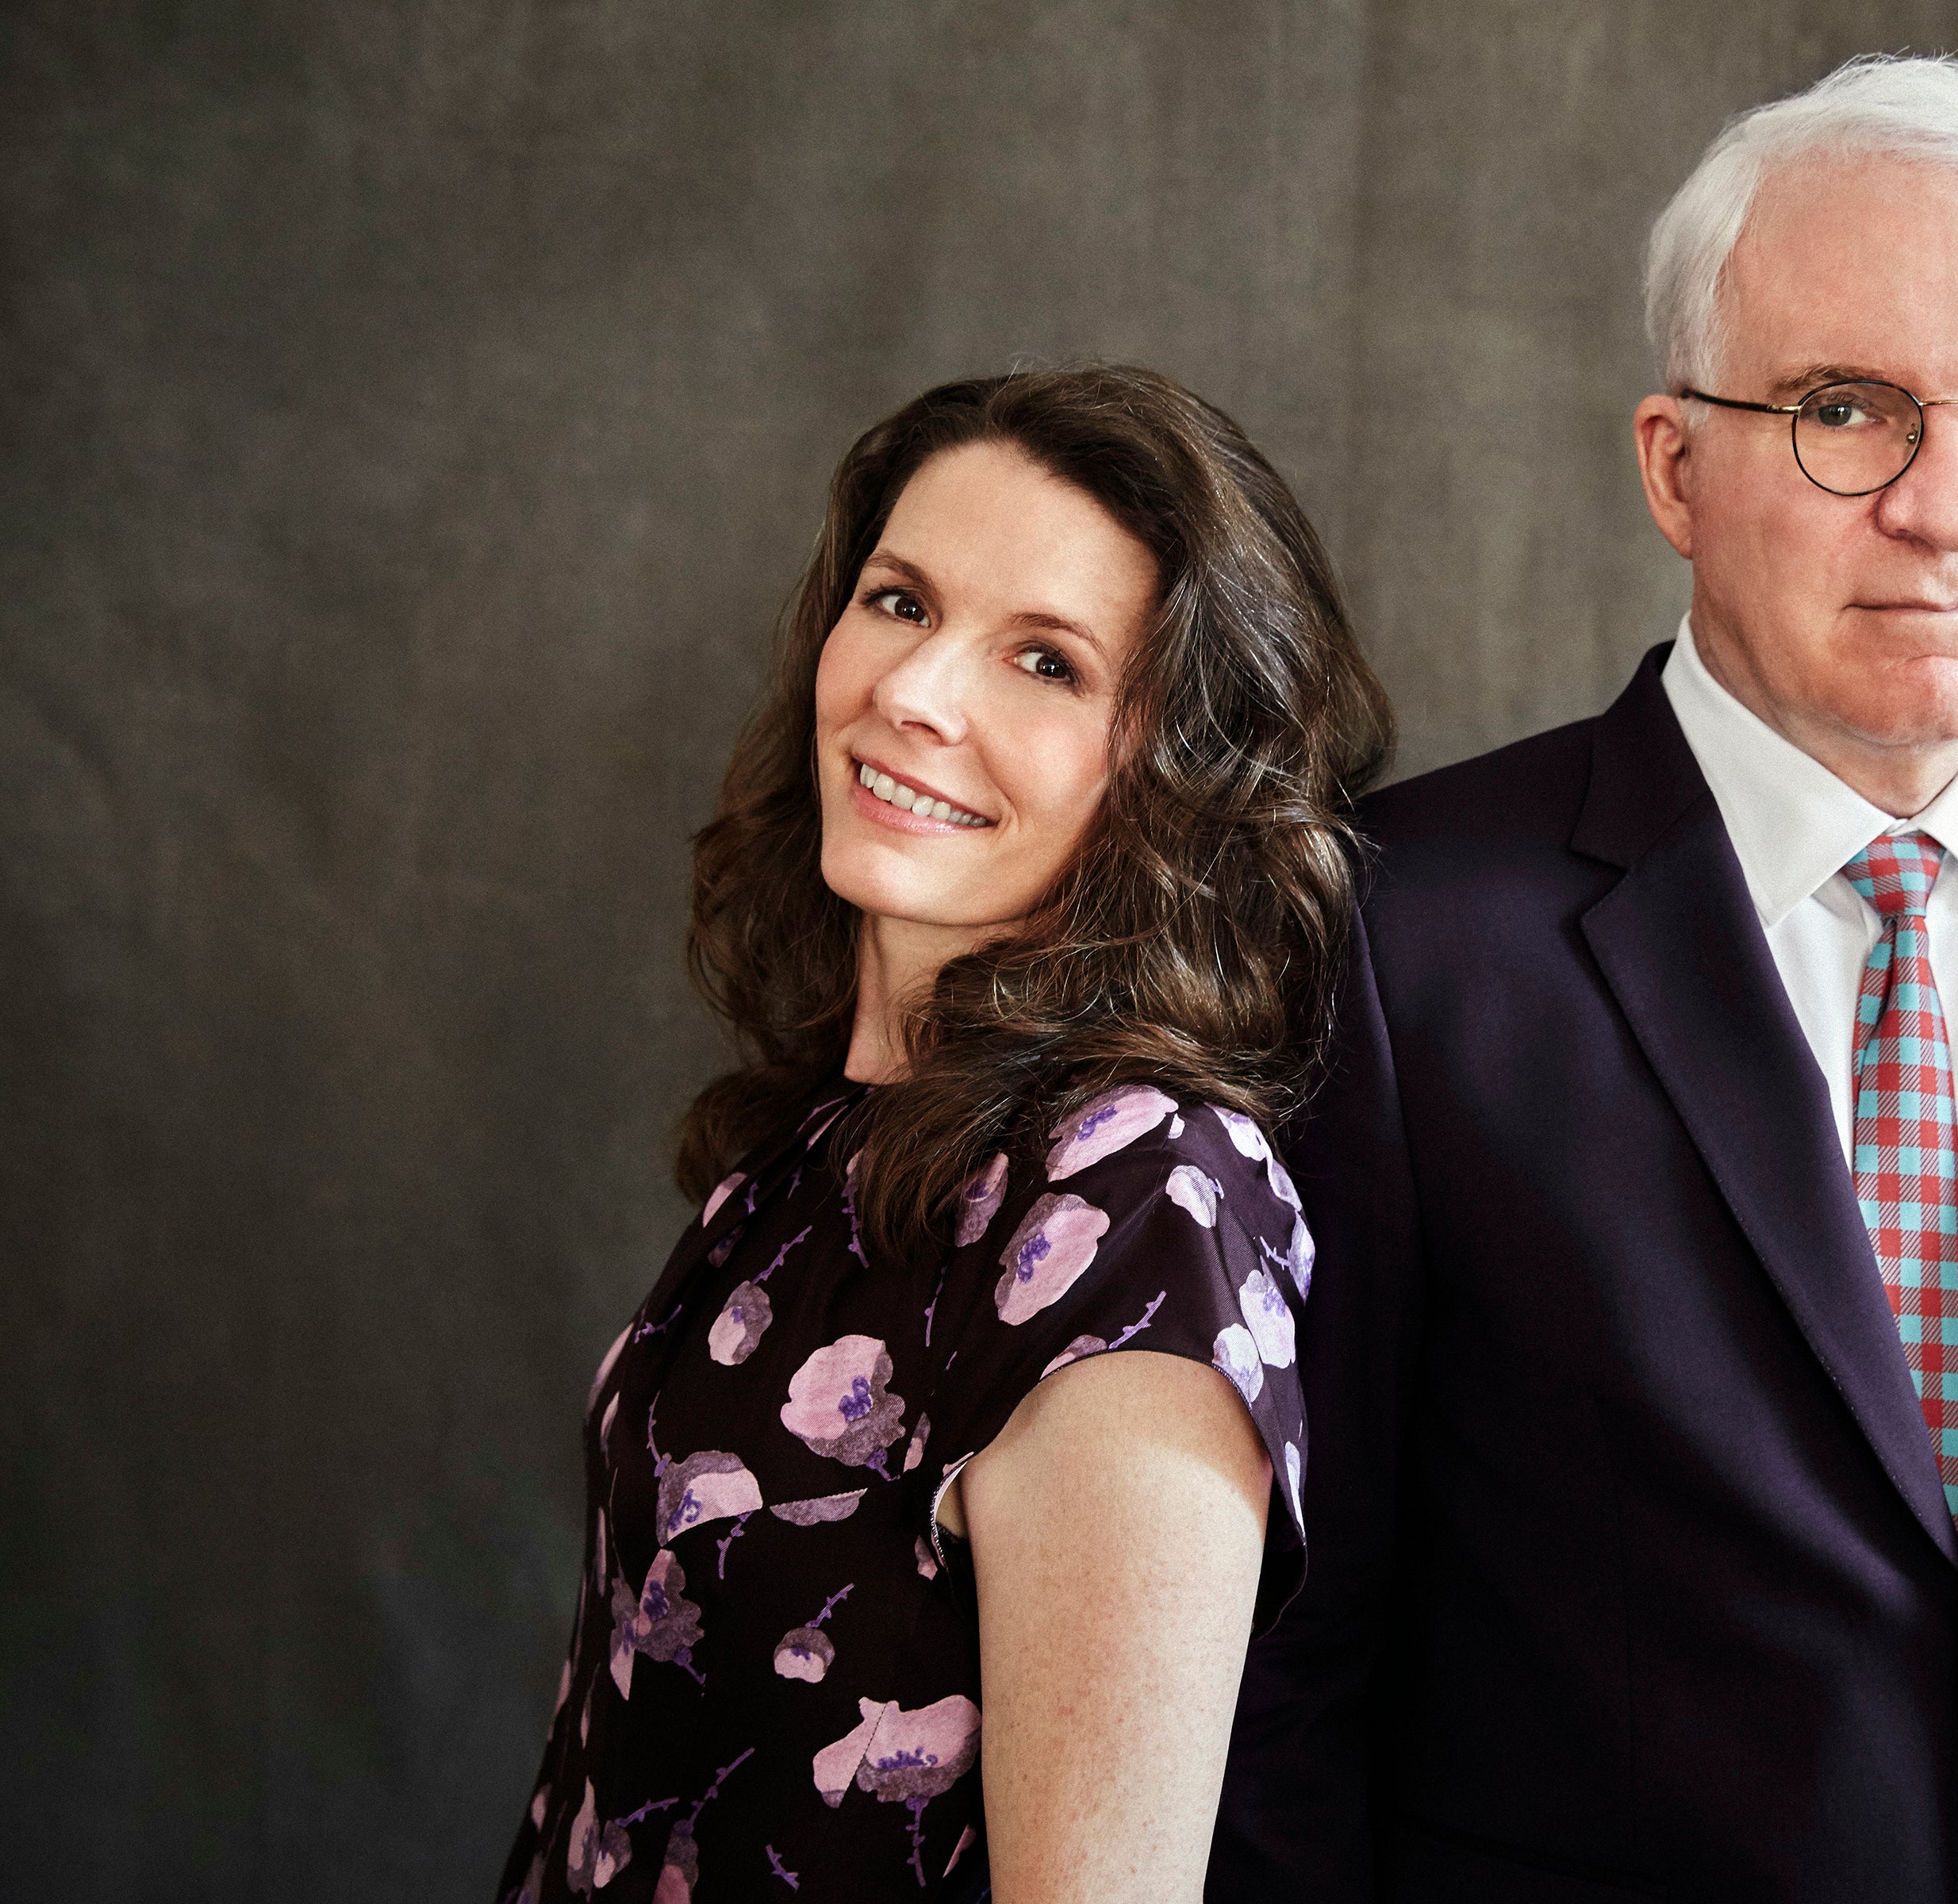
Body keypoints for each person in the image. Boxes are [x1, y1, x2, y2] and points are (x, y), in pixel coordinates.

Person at [1213, 54, 1958, 1904]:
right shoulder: (1398, 935)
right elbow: (1282, 1671)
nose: (1950, 503)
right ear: (1675, 464)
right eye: (1847, 410)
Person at [497, 365, 1392, 1904]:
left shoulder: (1138, 1210)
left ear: (1179, 778)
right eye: (901, 602)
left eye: (1045, 660)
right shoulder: (830, 1145)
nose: (913, 693)